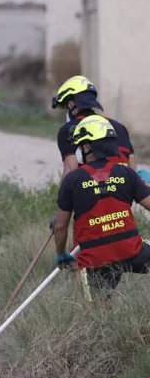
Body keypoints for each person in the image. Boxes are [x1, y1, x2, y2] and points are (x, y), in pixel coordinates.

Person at [52, 116, 150, 300]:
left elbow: (59, 226)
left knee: (99, 312)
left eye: (80, 145)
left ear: (88, 147)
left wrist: (61, 255)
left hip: (96, 260)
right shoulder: (127, 172)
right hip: (131, 250)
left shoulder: (72, 180)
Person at [51, 75, 137, 177]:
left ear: (70, 103)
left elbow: (70, 171)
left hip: (93, 188)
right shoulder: (120, 128)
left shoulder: (68, 130)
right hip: (124, 187)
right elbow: (133, 169)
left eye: (65, 106)